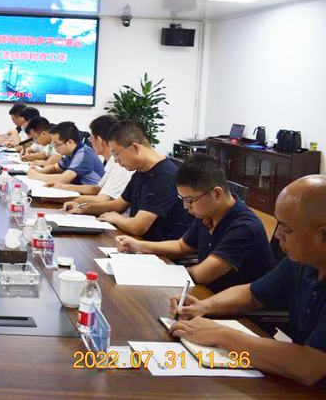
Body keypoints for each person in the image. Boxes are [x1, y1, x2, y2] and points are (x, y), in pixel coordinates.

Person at [168, 175, 326, 386]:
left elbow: (309, 366)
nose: (277, 235)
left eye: (287, 229)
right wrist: (205, 306)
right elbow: (252, 293)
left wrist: (220, 334)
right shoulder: (303, 261)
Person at [117, 154, 274, 292]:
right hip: (206, 295)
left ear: (216, 193)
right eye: (183, 199)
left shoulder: (244, 227)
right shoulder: (208, 213)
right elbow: (181, 246)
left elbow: (202, 275)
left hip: (233, 309)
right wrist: (138, 246)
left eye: (190, 200)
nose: (186, 207)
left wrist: (159, 272)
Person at [64, 120, 192, 240]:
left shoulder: (164, 175)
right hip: (137, 242)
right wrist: (83, 208)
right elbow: (118, 204)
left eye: (116, 154)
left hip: (158, 248)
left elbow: (138, 227)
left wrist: (116, 218)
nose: (115, 160)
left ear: (135, 147)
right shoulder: (141, 170)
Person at [45, 114, 133, 202]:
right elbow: (97, 188)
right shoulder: (110, 162)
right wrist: (63, 187)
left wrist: (58, 198)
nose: (90, 141)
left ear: (99, 140)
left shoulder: (119, 165)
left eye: (91, 138)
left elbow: (102, 200)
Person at [27, 121, 104, 186]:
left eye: (56, 144)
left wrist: (36, 175)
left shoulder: (83, 153)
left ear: (69, 142)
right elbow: (55, 167)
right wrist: (38, 171)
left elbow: (64, 179)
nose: (55, 148)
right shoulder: (72, 153)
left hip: (93, 194)